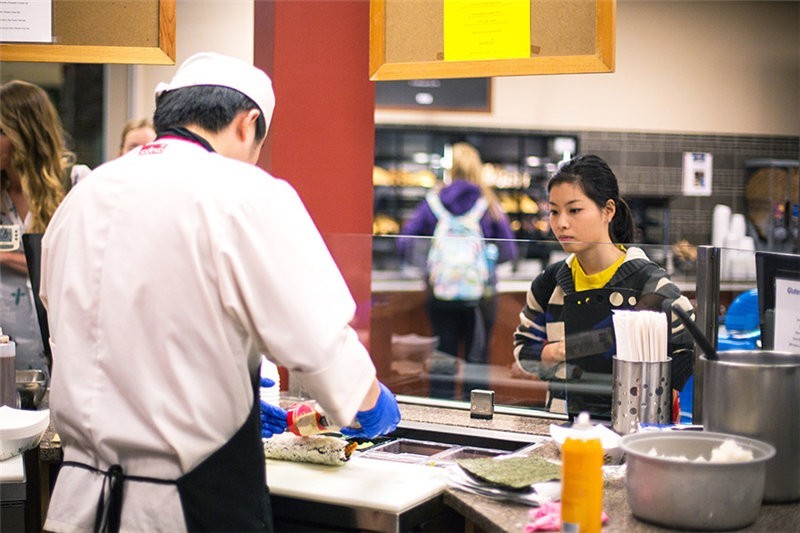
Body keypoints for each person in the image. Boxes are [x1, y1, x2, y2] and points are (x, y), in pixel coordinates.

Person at [40, 52, 400, 532]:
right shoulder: (246, 192)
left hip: (77, 505)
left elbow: (75, 326)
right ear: (248, 123)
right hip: (188, 508)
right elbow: (321, 344)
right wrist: (368, 405)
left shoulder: (82, 196)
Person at [513, 154, 694, 418]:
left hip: (634, 433)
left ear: (608, 210)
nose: (561, 223)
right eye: (553, 211)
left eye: (574, 210)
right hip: (562, 429)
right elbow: (523, 351)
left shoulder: (651, 285)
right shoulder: (548, 284)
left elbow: (690, 357)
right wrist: (559, 351)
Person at [399, 142, 518, 399]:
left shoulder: (433, 202)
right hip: (481, 298)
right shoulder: (488, 204)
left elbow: (405, 241)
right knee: (477, 359)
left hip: (441, 295)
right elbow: (509, 251)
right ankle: (476, 418)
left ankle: (441, 415)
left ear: (450, 168)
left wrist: (427, 269)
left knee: (443, 356)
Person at [0, 80, 80, 375]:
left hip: (56, 353)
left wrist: (6, 258)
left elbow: (75, 268)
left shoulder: (71, 190)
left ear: (26, 135)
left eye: (1, 131)